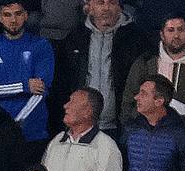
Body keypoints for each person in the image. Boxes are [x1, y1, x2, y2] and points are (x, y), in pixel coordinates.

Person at [52, 0, 148, 137]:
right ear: (89, 7)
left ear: (120, 7)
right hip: (80, 126)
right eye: (100, 2)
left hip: (121, 128)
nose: (106, 8)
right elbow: (63, 84)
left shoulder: (136, 40)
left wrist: (130, 117)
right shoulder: (74, 38)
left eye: (112, 3)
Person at [0, 1, 55, 160]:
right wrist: (24, 85)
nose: (13, 20)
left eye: (18, 14)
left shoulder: (41, 46)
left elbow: (41, 91)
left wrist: (17, 121)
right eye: (7, 14)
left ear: (26, 15)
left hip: (32, 132)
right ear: (0, 18)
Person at [120, 15, 185, 129]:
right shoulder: (145, 62)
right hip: (148, 131)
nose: (176, 35)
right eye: (170, 30)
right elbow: (129, 99)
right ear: (162, 35)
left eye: (180, 29)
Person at [41, 88, 124, 171]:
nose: (65, 106)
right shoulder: (57, 141)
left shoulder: (106, 147)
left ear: (87, 111)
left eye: (72, 102)